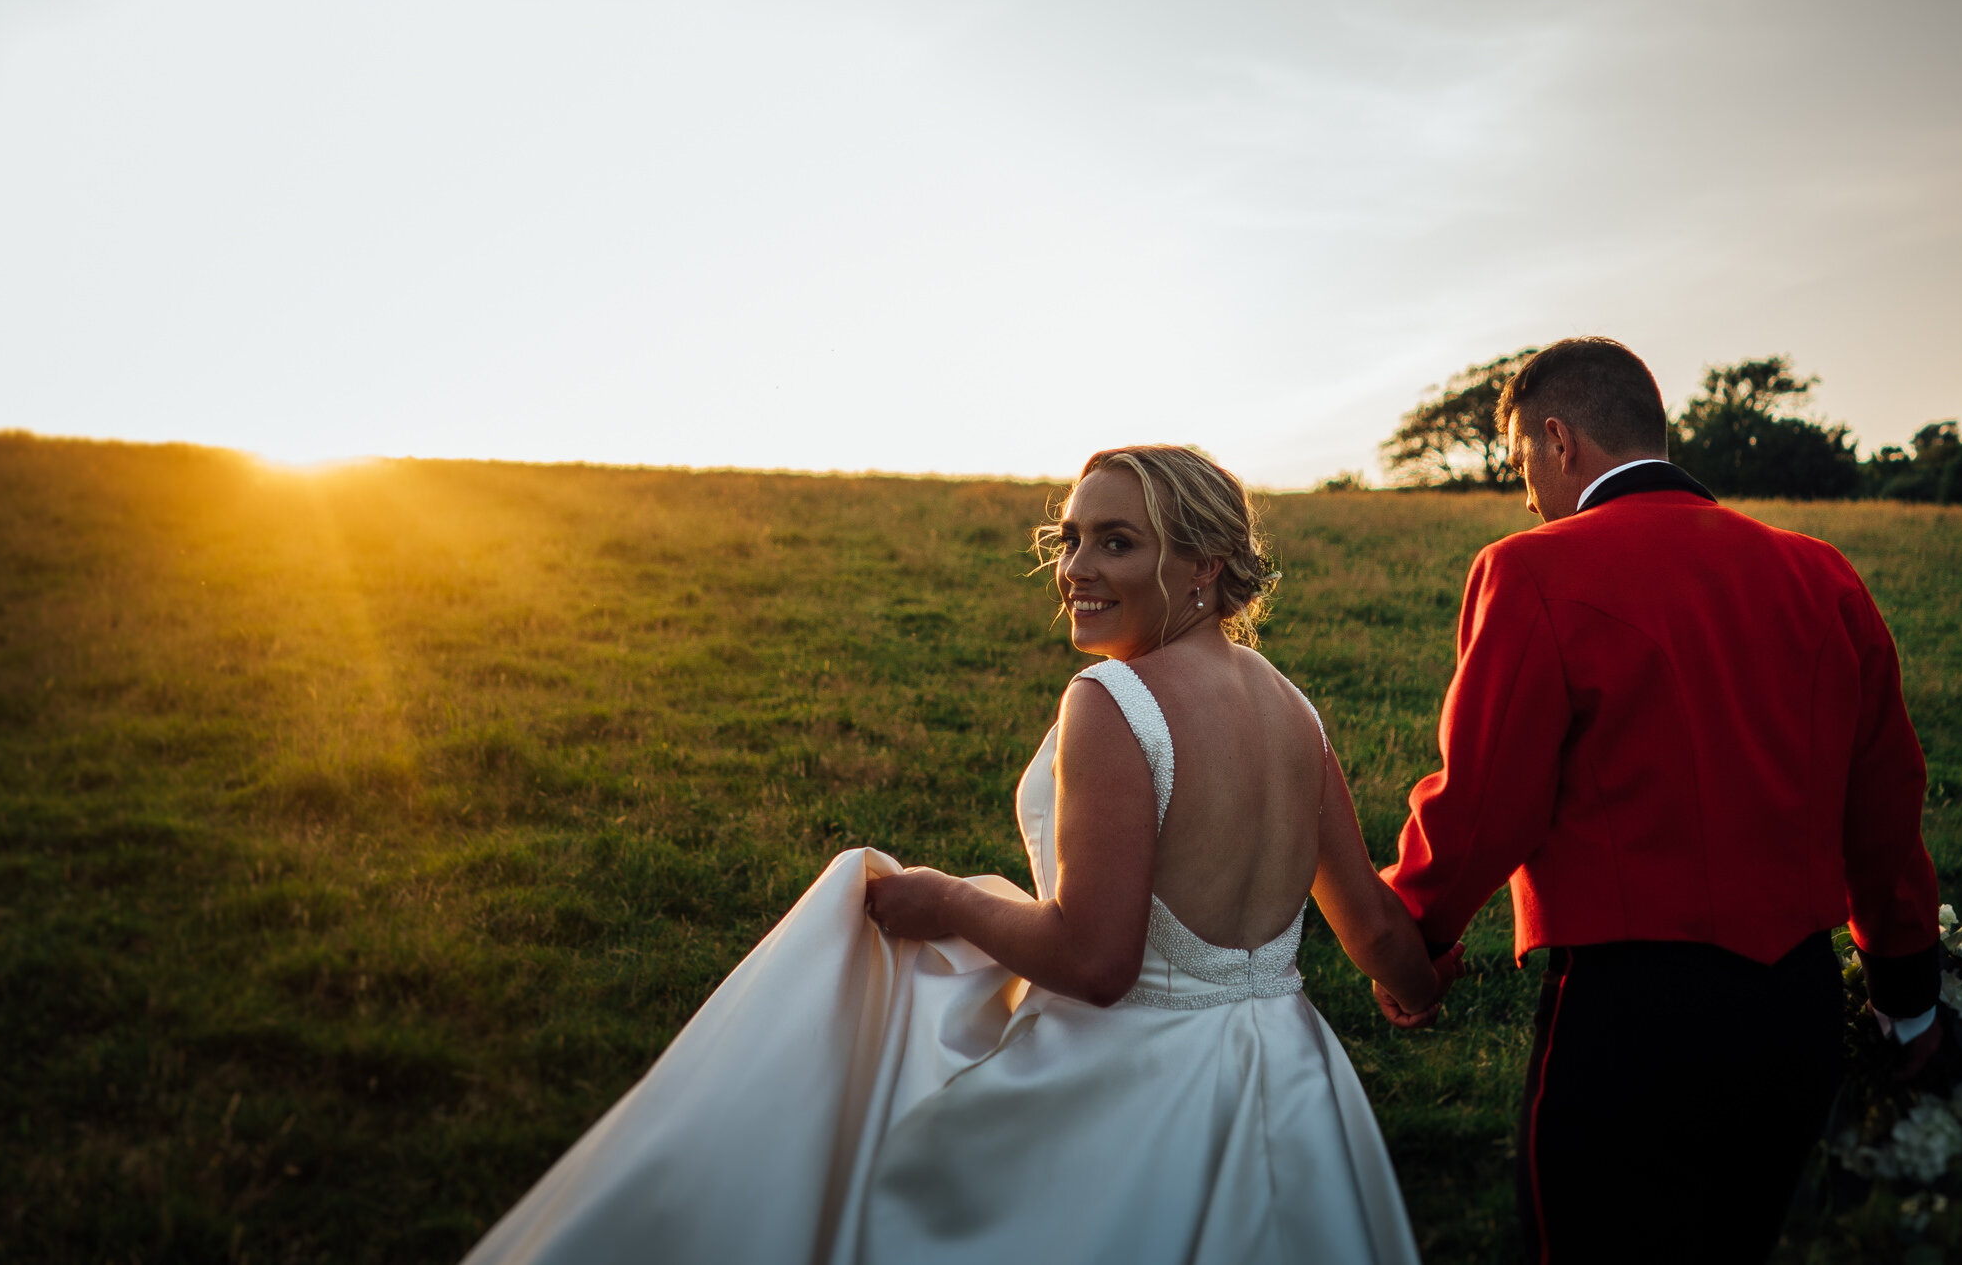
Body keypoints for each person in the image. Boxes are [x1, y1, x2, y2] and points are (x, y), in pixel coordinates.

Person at [465, 445, 1444, 1265]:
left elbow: (1097, 962)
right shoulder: (1291, 705)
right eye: (1067, 538)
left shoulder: (1111, 703)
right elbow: (1368, 922)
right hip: (1290, 1074)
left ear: (1203, 565)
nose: (1075, 566)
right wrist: (1412, 985)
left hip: (1140, 1098)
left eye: (1116, 540)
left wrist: (945, 903)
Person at [1376, 337, 1943, 1264]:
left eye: (1522, 461)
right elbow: (1885, 807)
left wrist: (1414, 935)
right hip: (1795, 1018)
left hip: (1629, 1023)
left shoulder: (1531, 570)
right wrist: (1905, 995)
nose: (1526, 495)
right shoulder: (1823, 573)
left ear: (1559, 440)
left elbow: (1485, 805)